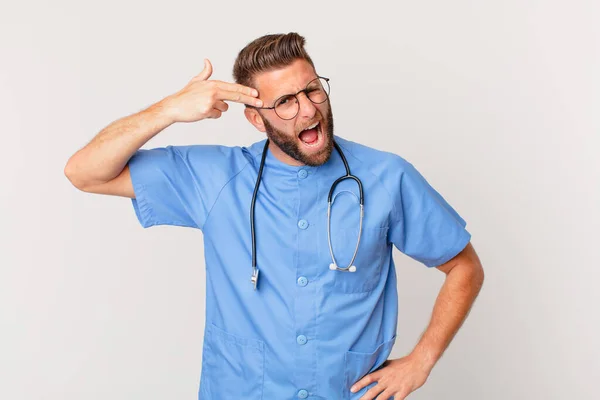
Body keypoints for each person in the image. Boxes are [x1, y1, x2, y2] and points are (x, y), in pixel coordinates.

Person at [65, 32, 484, 400]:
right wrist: (168, 109)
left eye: (313, 90)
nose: (308, 110)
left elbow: (464, 266)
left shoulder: (386, 178)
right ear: (255, 119)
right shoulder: (213, 178)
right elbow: (84, 172)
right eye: (285, 102)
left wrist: (421, 362)